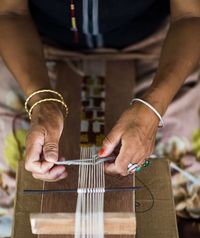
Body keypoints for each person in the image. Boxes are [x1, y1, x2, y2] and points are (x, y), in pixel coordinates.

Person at [0, 0, 200, 181]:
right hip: (39, 50)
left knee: (186, 176)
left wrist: (154, 107)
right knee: (11, 172)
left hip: (158, 50)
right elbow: (11, 13)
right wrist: (41, 101)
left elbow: (189, 16)